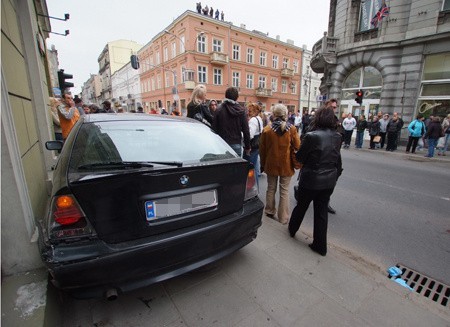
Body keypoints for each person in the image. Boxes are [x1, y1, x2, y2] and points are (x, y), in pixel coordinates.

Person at [288, 106, 342, 256]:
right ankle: (320, 245)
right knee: (321, 212)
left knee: (301, 206)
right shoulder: (338, 136)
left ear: (318, 118)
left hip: (311, 179)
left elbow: (300, 158)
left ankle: (292, 230)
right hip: (329, 180)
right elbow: (336, 157)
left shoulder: (312, 136)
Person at [259, 104, 300, 225]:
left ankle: (269, 210)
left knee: (271, 188)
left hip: (271, 164)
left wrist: (263, 164)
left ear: (274, 114)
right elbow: (298, 146)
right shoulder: (291, 129)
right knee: (284, 191)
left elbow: (262, 150)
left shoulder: (267, 130)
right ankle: (283, 218)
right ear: (285, 114)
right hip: (286, 165)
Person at [212, 87, 250, 157]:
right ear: (237, 97)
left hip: (221, 143)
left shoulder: (219, 109)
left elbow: (214, 128)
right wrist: (247, 147)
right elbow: (246, 130)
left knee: (223, 166)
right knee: (236, 167)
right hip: (236, 144)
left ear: (225, 95)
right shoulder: (241, 110)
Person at [244, 102, 264, 184]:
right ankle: (256, 190)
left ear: (255, 111)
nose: (248, 113)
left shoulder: (253, 120)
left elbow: (250, 135)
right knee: (254, 169)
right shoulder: (259, 118)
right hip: (257, 145)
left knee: (250, 169)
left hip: (252, 146)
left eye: (250, 111)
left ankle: (251, 189)